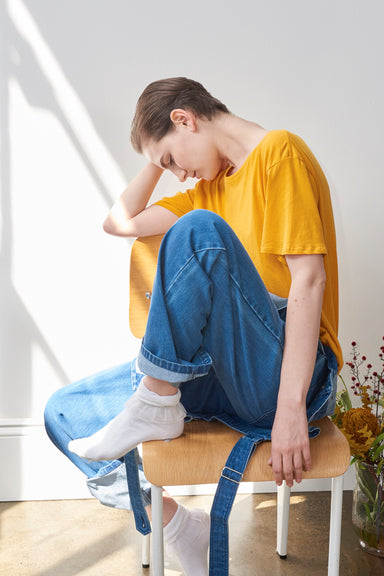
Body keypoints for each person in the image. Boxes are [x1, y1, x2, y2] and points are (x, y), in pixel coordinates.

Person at [44, 77, 342, 576]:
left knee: (199, 232)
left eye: (171, 161)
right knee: (66, 413)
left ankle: (157, 399)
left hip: (293, 373)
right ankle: (182, 528)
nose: (178, 175)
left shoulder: (278, 152)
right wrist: (154, 148)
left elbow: (309, 281)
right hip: (226, 375)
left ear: (186, 119)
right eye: (168, 167)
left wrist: (291, 410)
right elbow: (119, 222)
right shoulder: (208, 190)